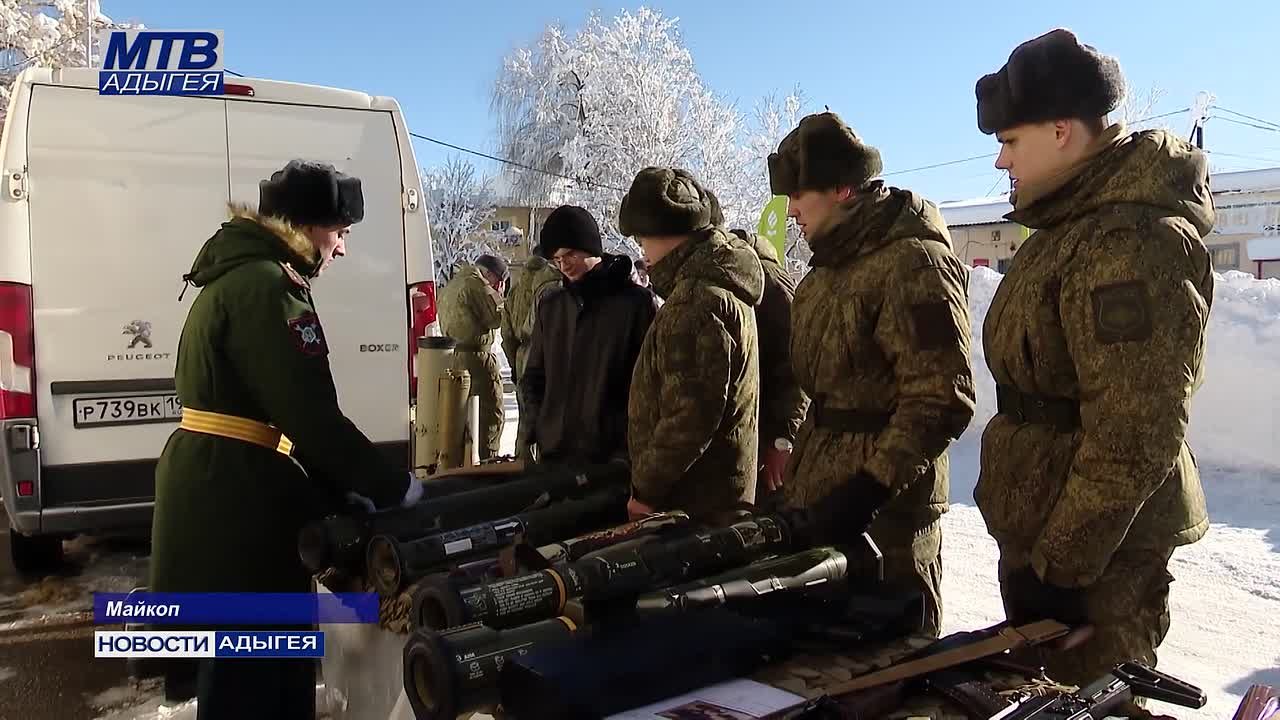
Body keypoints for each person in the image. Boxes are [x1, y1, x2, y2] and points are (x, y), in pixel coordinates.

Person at [972, 28, 1214, 684]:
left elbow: (1134, 430)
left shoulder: (1128, 240)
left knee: (1090, 699)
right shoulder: (1068, 227)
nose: (1000, 161)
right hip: (1049, 538)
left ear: (1060, 131)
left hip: (1098, 559)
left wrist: (1063, 571)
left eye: (1009, 141)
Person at [150, 159, 422, 718]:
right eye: (340, 231)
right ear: (307, 225)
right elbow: (309, 415)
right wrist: (390, 486)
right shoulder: (271, 286)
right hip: (240, 503)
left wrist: (340, 491)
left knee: (249, 667)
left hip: (225, 488)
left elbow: (282, 414)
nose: (342, 247)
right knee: (255, 678)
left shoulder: (240, 276)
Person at [767, 111, 976, 638]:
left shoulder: (913, 262)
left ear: (842, 189)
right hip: (820, 507)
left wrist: (868, 487)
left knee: (892, 660)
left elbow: (941, 397)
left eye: (799, 195)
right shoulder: (824, 272)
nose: (791, 211)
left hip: (886, 519)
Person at [620, 167, 764, 522]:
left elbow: (689, 418)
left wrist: (646, 491)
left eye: (642, 237)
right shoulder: (720, 286)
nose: (641, 249)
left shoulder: (696, 301)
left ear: (666, 234)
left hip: (693, 504)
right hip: (719, 493)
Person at [516, 205, 658, 466]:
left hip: (610, 455)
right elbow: (535, 375)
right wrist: (534, 432)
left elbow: (649, 385)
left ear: (590, 248)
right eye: (556, 259)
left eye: (570, 254)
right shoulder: (552, 306)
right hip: (555, 452)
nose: (564, 265)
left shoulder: (634, 304)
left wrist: (628, 445)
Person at [704, 190, 809, 504]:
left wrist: (782, 440)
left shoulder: (766, 279)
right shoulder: (720, 274)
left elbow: (795, 363)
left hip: (764, 445)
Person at [437, 254, 508, 460]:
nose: (498, 285)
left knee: (460, 417)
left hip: (454, 356)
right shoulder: (477, 284)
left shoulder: (453, 284)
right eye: (499, 281)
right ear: (490, 274)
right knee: (489, 416)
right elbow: (497, 317)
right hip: (477, 358)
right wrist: (498, 296)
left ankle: (462, 461)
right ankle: (487, 462)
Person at [500, 250, 561, 394]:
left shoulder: (515, 291)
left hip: (523, 358)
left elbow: (507, 335)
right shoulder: (555, 286)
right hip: (548, 359)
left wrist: (514, 366)